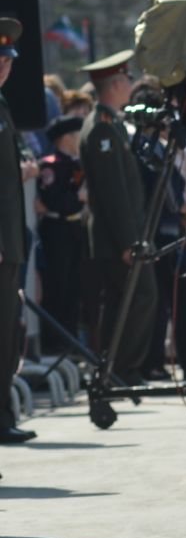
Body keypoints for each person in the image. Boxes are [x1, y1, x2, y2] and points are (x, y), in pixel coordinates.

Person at [80, 50, 157, 386]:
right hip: (118, 238)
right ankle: (122, 368)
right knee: (139, 297)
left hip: (123, 234)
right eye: (126, 79)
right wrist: (130, 241)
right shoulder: (101, 130)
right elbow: (113, 194)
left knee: (122, 301)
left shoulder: (111, 125)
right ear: (114, 85)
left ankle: (116, 368)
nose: (130, 84)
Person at [0, 19, 32, 444]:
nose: (4, 67)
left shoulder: (3, 104)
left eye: (8, 60)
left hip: (10, 240)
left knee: (7, 333)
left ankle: (3, 416)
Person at [33, 114, 86, 358]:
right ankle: (54, 343)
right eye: (76, 135)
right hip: (57, 231)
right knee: (58, 287)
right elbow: (52, 200)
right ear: (66, 138)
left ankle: (70, 342)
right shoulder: (51, 165)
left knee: (74, 289)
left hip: (75, 229)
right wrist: (78, 199)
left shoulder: (77, 164)